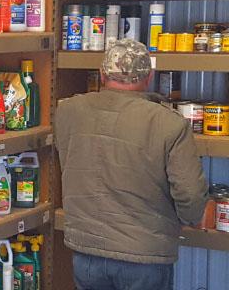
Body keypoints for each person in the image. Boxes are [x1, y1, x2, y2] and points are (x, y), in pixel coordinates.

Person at [55, 39, 208, 290]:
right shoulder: (170, 124)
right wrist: (191, 218)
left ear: (102, 74)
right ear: (149, 77)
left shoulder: (68, 111)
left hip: (87, 252)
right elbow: (190, 195)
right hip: (144, 256)